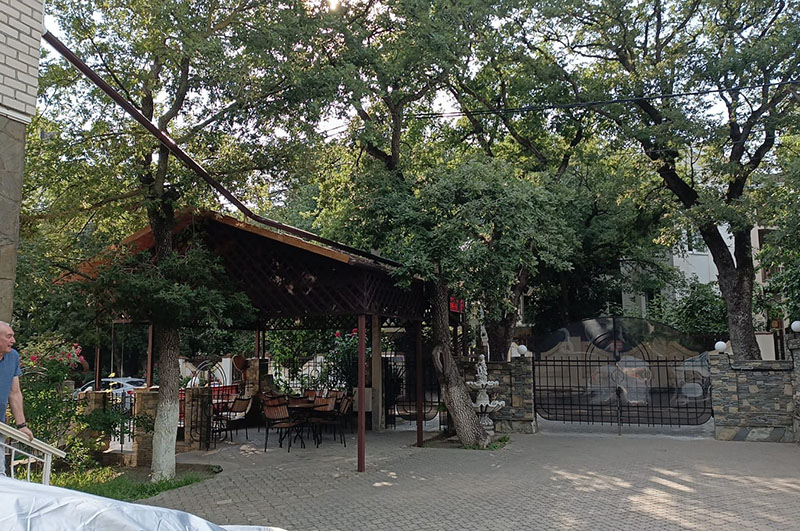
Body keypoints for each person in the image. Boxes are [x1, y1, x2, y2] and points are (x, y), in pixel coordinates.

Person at [0, 321, 34, 476]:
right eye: (9, 336)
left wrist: (21, 425)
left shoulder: (12, 356)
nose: (13, 340)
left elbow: (14, 392)